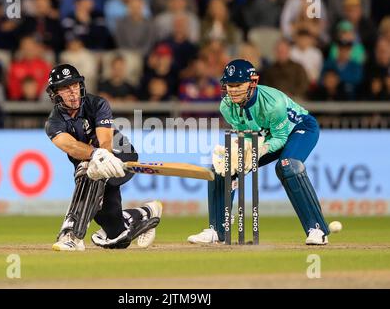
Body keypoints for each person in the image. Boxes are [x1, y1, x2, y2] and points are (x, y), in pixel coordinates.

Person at [187, 59, 330, 246]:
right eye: (229, 85)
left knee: (288, 166)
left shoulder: (273, 102)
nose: (233, 90)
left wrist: (260, 149)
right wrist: (240, 153)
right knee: (223, 168)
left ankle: (317, 228)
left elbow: (280, 137)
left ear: (252, 83)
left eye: (238, 85)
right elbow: (246, 135)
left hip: (300, 129)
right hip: (265, 135)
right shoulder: (226, 106)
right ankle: (217, 230)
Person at [44, 64, 162, 251]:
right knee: (114, 231)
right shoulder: (53, 123)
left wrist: (102, 154)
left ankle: (72, 235)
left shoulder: (97, 104)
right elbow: (70, 146)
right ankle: (145, 213)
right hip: (93, 162)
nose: (73, 92)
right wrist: (94, 155)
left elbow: (106, 141)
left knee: (88, 172)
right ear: (55, 93)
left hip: (120, 153)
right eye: (66, 88)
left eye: (75, 85)